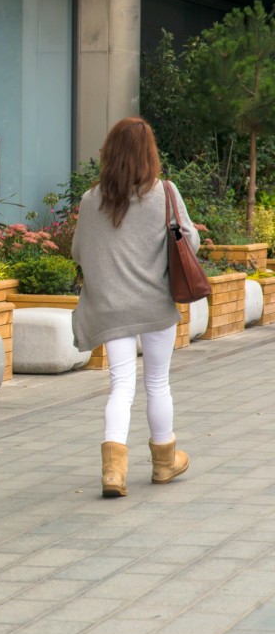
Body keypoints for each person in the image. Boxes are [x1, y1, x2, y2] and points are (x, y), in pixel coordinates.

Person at [71, 117, 200, 498]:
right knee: (157, 381)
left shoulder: (91, 200)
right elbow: (189, 244)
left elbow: (79, 251)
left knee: (121, 386)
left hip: (110, 309)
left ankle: (114, 472)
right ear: (150, 155)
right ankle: (164, 463)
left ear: (109, 154)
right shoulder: (166, 193)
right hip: (154, 305)